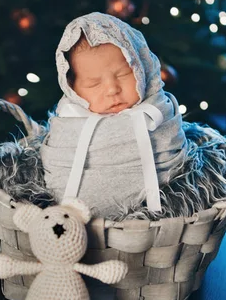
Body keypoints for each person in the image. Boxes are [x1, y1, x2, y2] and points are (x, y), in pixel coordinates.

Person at [40, 12, 188, 218]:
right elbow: (58, 163)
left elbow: (173, 160)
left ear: (141, 67)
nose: (112, 89)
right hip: (74, 220)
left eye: (123, 74)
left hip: (155, 223)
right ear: (72, 88)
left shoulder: (158, 110)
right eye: (94, 83)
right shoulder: (68, 120)